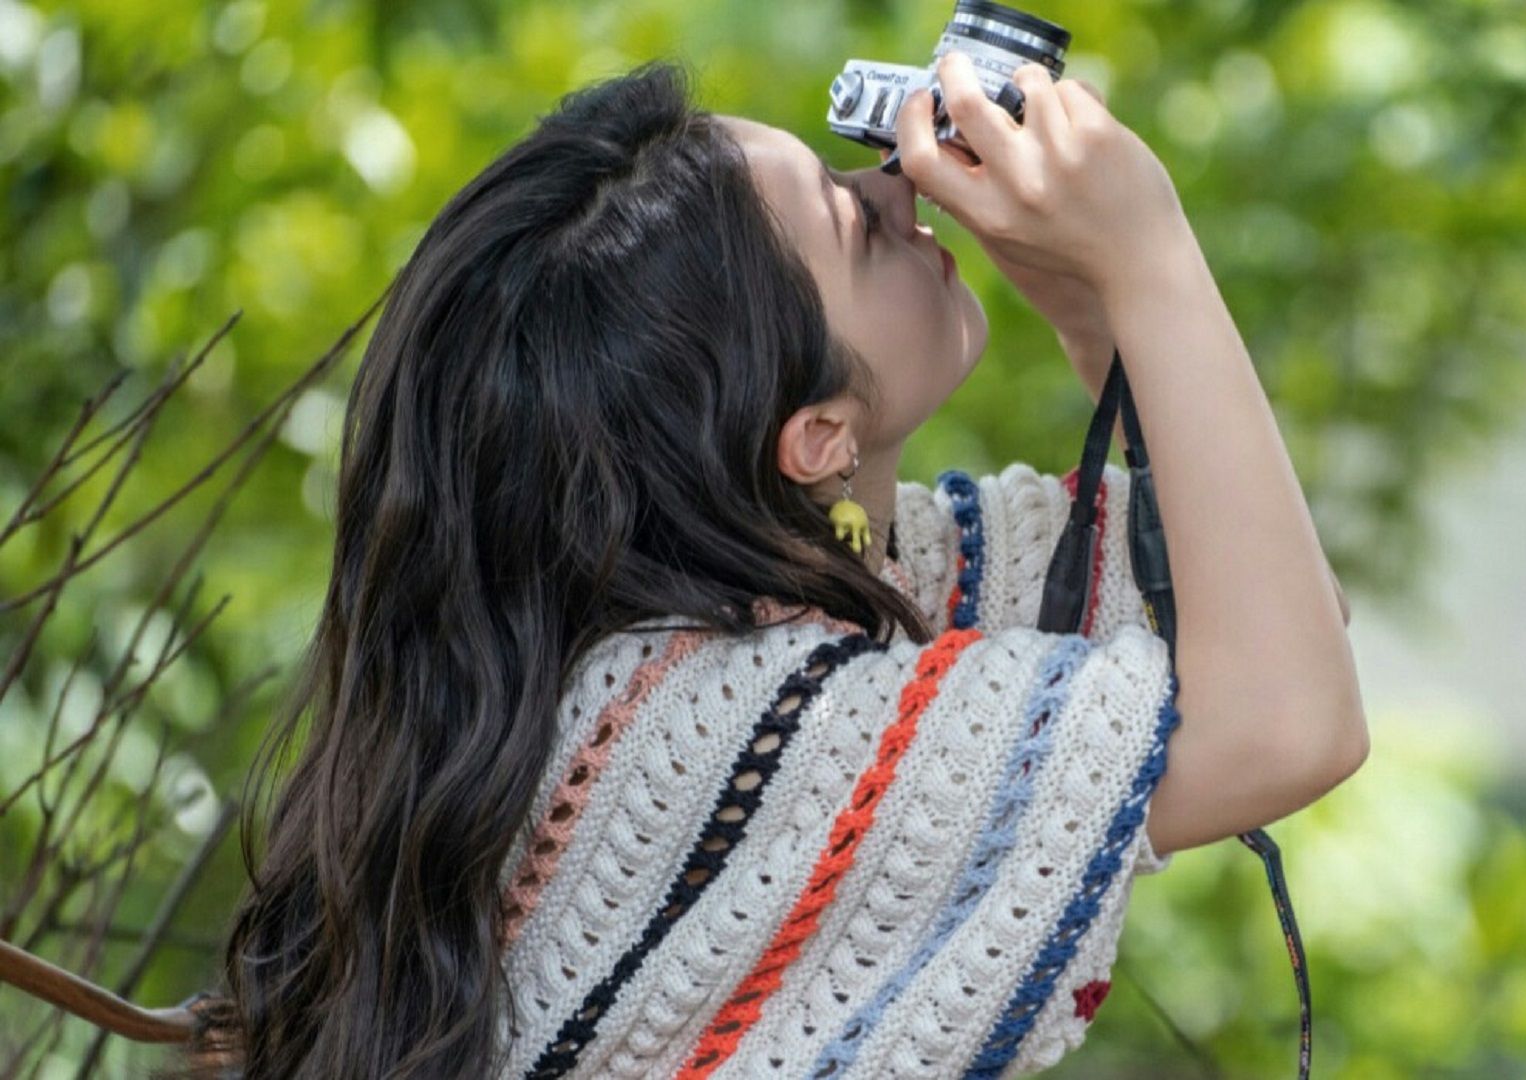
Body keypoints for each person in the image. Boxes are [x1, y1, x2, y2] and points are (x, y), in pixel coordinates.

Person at [176, 50, 1365, 1080]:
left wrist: (1099, 317)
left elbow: (1259, 605)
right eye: (856, 224)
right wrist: (1148, 253)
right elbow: (1286, 723)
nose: (900, 190)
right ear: (813, 438)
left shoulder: (762, 619)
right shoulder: (730, 732)